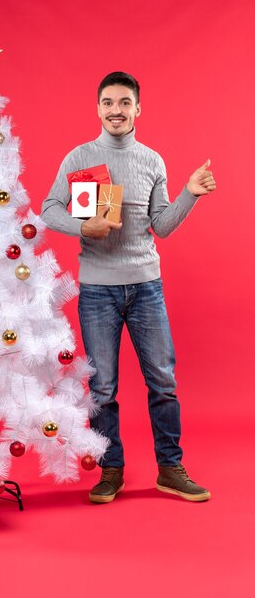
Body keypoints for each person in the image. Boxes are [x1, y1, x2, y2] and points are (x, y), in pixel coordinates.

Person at [41, 72, 216, 503]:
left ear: (138, 109)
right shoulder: (79, 158)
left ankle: (170, 469)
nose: (115, 110)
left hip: (145, 287)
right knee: (102, 387)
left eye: (124, 102)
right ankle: (111, 470)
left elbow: (163, 227)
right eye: (107, 102)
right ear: (97, 108)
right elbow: (48, 209)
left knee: (163, 380)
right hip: (97, 290)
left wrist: (189, 194)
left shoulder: (153, 161)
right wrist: (85, 224)